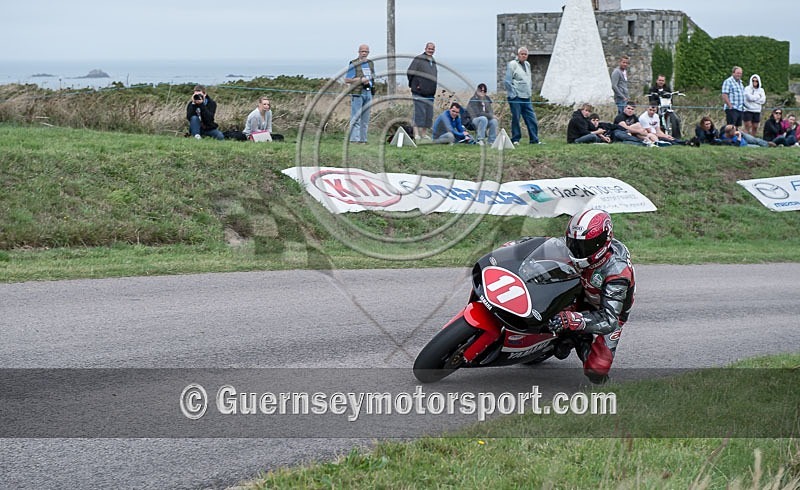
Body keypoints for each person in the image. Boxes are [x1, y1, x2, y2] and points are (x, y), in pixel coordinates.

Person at [548, 209, 635, 384]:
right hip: (581, 294)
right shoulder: (575, 249)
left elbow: (609, 320)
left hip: (609, 313)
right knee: (558, 349)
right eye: (573, 243)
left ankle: (579, 337)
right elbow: (546, 247)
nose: (577, 251)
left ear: (603, 242)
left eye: (585, 246)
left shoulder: (617, 273)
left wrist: (570, 320)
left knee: (596, 371)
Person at [504, 46, 541, 144]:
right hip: (516, 97)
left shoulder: (527, 64)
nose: (524, 56)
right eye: (522, 54)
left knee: (531, 118)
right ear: (518, 55)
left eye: (525, 54)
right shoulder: (512, 64)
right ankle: (515, 139)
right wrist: (513, 95)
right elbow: (507, 81)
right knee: (516, 118)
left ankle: (534, 139)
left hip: (526, 97)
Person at [407, 42, 438, 141]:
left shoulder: (433, 61)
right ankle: (416, 134)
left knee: (428, 115)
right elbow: (410, 72)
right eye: (429, 48)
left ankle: (424, 134)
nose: (431, 50)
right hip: (418, 92)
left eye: (432, 49)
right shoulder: (419, 59)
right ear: (425, 48)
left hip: (430, 93)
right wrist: (415, 85)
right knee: (419, 113)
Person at [344, 44, 374, 144]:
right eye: (362, 51)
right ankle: (354, 139)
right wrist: (361, 80)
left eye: (366, 51)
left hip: (368, 92)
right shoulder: (353, 63)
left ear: (368, 52)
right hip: (357, 93)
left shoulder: (370, 63)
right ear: (359, 52)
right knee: (356, 117)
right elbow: (347, 79)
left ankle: (363, 140)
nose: (364, 53)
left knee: (365, 118)